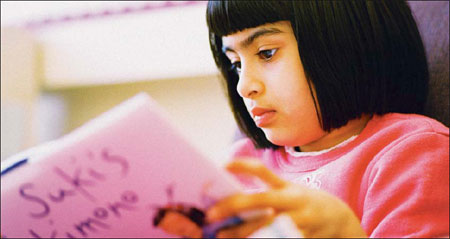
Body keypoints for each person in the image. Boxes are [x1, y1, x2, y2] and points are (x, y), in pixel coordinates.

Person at [158, 1, 450, 238]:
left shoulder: (412, 154)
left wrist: (345, 234)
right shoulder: (242, 164)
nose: (244, 85)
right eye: (235, 64)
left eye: (266, 53)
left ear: (343, 42)